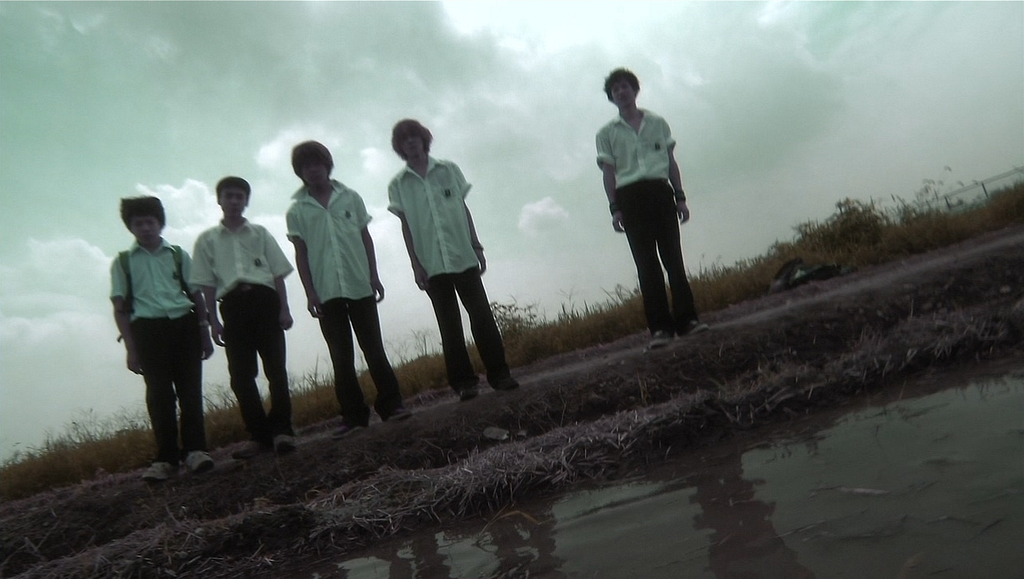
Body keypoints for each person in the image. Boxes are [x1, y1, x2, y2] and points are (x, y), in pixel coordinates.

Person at [285, 141, 411, 439]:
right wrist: (310, 292)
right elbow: (301, 254)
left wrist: (374, 275)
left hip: (359, 284)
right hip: (326, 292)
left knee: (374, 349)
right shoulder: (297, 210)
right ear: (300, 172)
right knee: (341, 357)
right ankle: (354, 416)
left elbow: (365, 238)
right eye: (306, 166)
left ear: (327, 165)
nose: (313, 170)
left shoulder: (350, 197)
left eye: (317, 163)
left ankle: (392, 406)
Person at [387, 119, 520, 401]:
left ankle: (500, 374)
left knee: (482, 317)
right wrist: (416, 265)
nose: (410, 142)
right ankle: (464, 383)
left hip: (462, 255)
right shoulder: (399, 185)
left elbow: (463, 208)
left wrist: (476, 245)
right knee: (449, 325)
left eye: (415, 136)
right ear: (399, 147)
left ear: (424, 139)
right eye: (404, 139)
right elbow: (406, 226)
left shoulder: (448, 170)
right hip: (431, 263)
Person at [595, 67, 709, 350]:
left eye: (625, 86)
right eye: (615, 88)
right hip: (631, 198)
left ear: (635, 90)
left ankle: (688, 321)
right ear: (611, 97)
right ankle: (660, 328)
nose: (621, 91)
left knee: (674, 259)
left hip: (661, 193)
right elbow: (609, 173)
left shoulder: (657, 122)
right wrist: (614, 208)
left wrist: (680, 197)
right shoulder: (606, 133)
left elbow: (670, 161)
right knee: (647, 267)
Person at [110, 196, 216, 482]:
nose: (145, 228)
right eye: (138, 223)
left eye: (150, 222)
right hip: (147, 330)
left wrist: (204, 331)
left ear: (160, 223)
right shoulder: (123, 262)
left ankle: (196, 451)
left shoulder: (178, 255)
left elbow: (196, 295)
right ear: (130, 227)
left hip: (184, 325)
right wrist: (131, 349)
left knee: (190, 391)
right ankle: (166, 459)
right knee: (159, 396)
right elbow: (120, 307)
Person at [191, 176, 297, 459]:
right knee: (241, 375)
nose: (235, 201)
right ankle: (259, 436)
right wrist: (213, 320)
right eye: (229, 196)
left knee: (276, 369)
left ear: (246, 201)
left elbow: (277, 274)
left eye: (240, 196)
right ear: (220, 200)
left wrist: (284, 309)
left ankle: (283, 431)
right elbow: (206, 285)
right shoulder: (207, 240)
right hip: (233, 306)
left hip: (265, 302)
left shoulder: (260, 233)